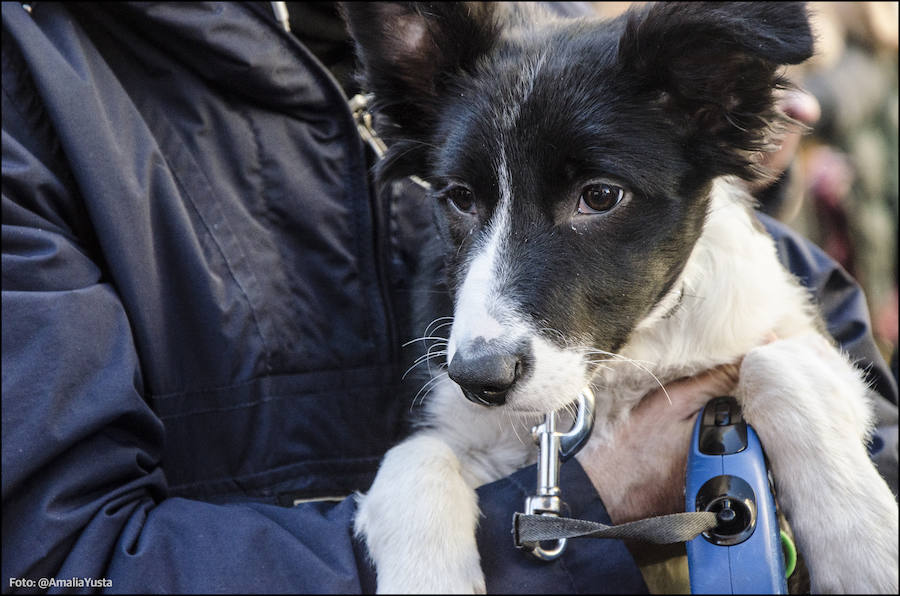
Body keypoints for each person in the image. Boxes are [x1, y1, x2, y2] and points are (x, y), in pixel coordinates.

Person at [2, 2, 896, 593]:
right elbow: (54, 565)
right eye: (460, 200)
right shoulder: (39, 89)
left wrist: (804, 430)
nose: (481, 328)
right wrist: (567, 515)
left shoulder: (554, 46)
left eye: (594, 198)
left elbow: (858, 386)